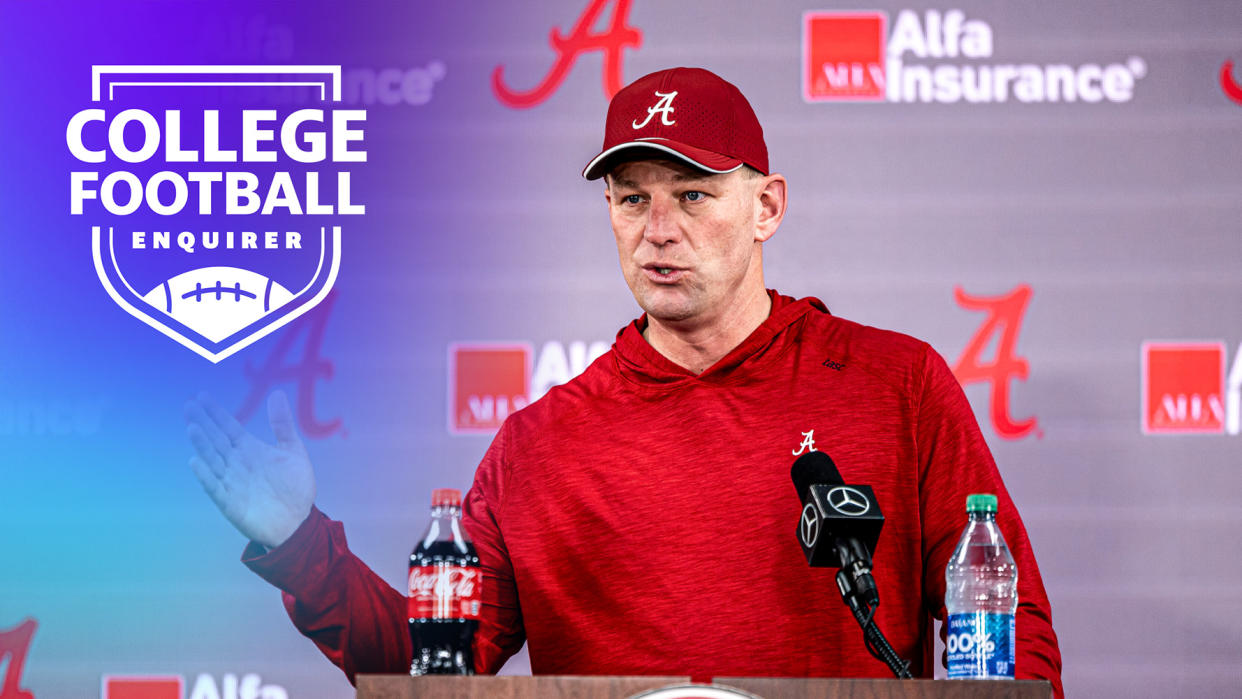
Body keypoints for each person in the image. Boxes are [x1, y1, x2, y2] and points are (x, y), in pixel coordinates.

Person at [185, 67, 1063, 695]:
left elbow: (1011, 619)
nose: (658, 230)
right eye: (631, 198)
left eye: (692, 195)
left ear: (767, 207)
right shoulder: (539, 444)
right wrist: (300, 541)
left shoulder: (894, 383)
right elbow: (430, 667)